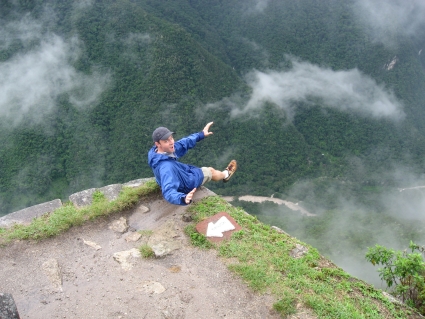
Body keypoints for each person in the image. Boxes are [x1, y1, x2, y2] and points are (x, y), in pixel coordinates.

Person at [148, 122, 237, 206]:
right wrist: (183, 198)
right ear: (157, 144)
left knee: (201, 168)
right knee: (210, 171)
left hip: (180, 174)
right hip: (186, 184)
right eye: (166, 141)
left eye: (171, 138)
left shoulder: (157, 153)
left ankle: (223, 174)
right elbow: (168, 192)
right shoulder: (166, 167)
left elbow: (183, 143)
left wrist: (201, 134)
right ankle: (226, 174)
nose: (171, 142)